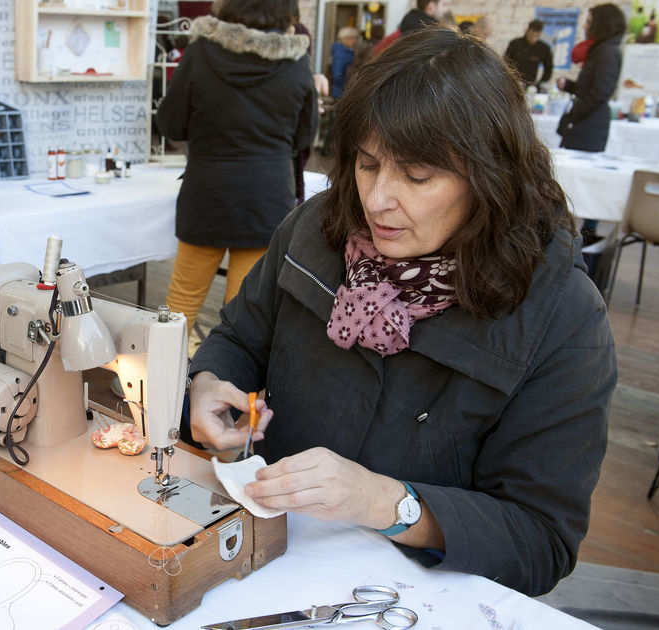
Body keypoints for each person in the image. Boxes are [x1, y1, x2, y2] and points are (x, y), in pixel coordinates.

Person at [187, 26, 616, 597]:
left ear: (491, 178)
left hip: (408, 596)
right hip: (267, 558)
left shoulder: (560, 315)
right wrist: (211, 383)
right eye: (367, 165)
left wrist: (388, 503)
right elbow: (241, 338)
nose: (377, 200)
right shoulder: (316, 229)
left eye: (417, 176)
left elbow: (540, 541)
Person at [156, 0, 317, 334]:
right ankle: (236, 387)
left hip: (207, 194)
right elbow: (306, 134)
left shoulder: (200, 53)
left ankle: (155, 384)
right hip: (268, 197)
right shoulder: (296, 60)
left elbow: (170, 125)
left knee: (180, 305)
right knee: (243, 315)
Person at [556, 5, 624, 153]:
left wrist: (574, 113)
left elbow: (600, 93)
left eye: (588, 22)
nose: (584, 26)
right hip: (584, 122)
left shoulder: (607, 52)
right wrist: (568, 85)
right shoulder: (599, 50)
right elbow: (588, 88)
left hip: (590, 125)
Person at [374, 0, 447, 54]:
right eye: (443, 5)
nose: (445, 10)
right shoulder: (432, 33)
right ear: (431, 6)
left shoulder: (405, 26)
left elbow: (376, 52)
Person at [505, 20, 555, 88]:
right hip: (513, 84)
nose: (533, 39)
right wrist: (509, 80)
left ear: (540, 34)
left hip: (531, 85)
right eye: (531, 35)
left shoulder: (544, 48)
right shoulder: (515, 44)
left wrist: (540, 84)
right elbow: (505, 63)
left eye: (537, 36)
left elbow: (549, 68)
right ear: (526, 31)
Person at [330, 26, 360, 99]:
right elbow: (337, 76)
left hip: (344, 91)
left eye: (355, 37)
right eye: (351, 38)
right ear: (344, 39)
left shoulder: (349, 51)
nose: (354, 40)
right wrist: (350, 83)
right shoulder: (340, 54)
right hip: (340, 93)